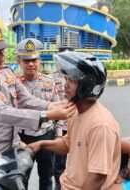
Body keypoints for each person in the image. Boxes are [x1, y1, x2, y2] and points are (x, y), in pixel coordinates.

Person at [0, 27, 76, 190]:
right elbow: (0, 112)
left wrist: (53, 105)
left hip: (11, 156)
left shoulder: (6, 73)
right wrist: (47, 115)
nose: (1, 56)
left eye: (2, 51)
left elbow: (26, 98)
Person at [28, 51, 121, 189]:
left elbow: (97, 177)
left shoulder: (100, 125)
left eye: (71, 80)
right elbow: (68, 144)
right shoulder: (76, 110)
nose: (65, 85)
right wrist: (40, 144)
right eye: (66, 79)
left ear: (87, 87)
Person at [15, 38, 62, 190]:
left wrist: (59, 135)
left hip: (45, 135)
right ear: (19, 61)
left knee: (46, 177)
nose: (30, 64)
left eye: (34, 60)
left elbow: (58, 111)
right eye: (26, 60)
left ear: (39, 60)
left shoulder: (49, 81)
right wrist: (15, 139)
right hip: (23, 137)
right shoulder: (13, 84)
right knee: (21, 177)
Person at [50, 46, 74, 190]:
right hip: (60, 127)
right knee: (58, 164)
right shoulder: (52, 78)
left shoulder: (78, 77)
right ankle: (59, 186)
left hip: (75, 125)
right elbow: (52, 104)